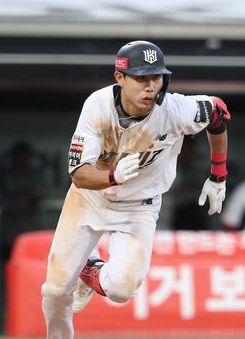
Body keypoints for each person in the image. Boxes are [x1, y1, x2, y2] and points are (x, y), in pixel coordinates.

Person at [41, 40, 231, 339]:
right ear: (120, 78)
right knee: (54, 290)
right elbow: (80, 175)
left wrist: (218, 175)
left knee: (121, 290)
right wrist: (114, 176)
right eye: (141, 78)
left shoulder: (177, 109)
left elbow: (218, 114)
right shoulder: (97, 105)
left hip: (139, 206)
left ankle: (89, 270)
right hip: (91, 198)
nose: (150, 86)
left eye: (156, 77)